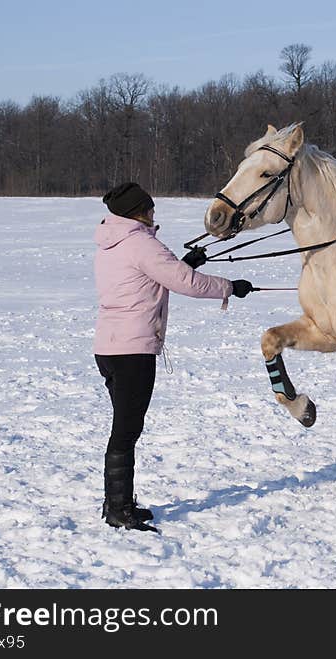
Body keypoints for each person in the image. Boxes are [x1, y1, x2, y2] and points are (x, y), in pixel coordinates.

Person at [93, 182, 253, 532]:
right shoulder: (140, 242)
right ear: (139, 211)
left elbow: (154, 276)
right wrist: (230, 287)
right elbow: (187, 283)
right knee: (126, 430)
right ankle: (118, 509)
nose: (154, 213)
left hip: (109, 346)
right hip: (132, 350)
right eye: (150, 208)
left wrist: (184, 263)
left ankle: (118, 502)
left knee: (125, 427)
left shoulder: (113, 240)